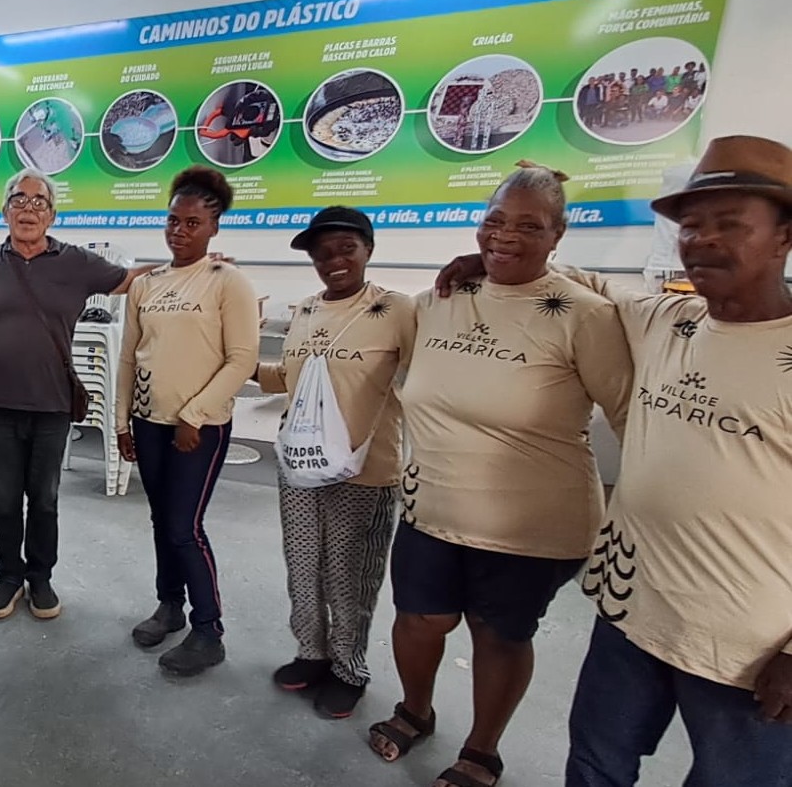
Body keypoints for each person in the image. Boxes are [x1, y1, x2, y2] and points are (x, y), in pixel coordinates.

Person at [438, 135, 792, 785]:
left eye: (729, 224)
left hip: (747, 644)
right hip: (632, 608)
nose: (702, 239)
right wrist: (490, 256)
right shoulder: (667, 319)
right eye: (690, 225)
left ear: (783, 237)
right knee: (595, 764)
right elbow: (574, 283)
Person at [364, 162, 633, 787]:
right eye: (494, 221)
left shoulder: (584, 315)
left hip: (531, 523)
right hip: (431, 506)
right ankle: (415, 710)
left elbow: (630, 418)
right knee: (417, 620)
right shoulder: (441, 300)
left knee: (499, 632)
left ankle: (483, 748)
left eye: (528, 226)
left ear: (558, 234)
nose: (504, 236)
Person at [0, 168, 156, 620]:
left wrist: (190, 266)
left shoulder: (77, 262)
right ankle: (8, 576)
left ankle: (40, 578)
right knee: (4, 500)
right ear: (4, 211)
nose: (28, 209)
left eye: (38, 201)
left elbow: (130, 280)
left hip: (53, 404)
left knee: (43, 499)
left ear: (52, 213)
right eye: (19, 200)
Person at [255, 206, 416, 718]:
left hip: (365, 470)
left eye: (346, 248)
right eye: (322, 253)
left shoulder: (398, 311)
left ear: (369, 248)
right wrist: (236, 360)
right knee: (304, 568)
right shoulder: (305, 310)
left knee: (350, 576)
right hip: (301, 467)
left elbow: (431, 373)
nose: (334, 260)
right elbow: (291, 376)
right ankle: (312, 653)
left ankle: (349, 669)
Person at [115, 167, 259, 677]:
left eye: (192, 223)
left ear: (214, 226)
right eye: (172, 220)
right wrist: (122, 421)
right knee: (162, 522)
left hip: (199, 428)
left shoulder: (228, 282)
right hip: (148, 421)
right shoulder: (147, 284)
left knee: (184, 527)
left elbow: (241, 360)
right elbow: (130, 356)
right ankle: (169, 606)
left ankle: (208, 630)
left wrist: (194, 415)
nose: (179, 231)